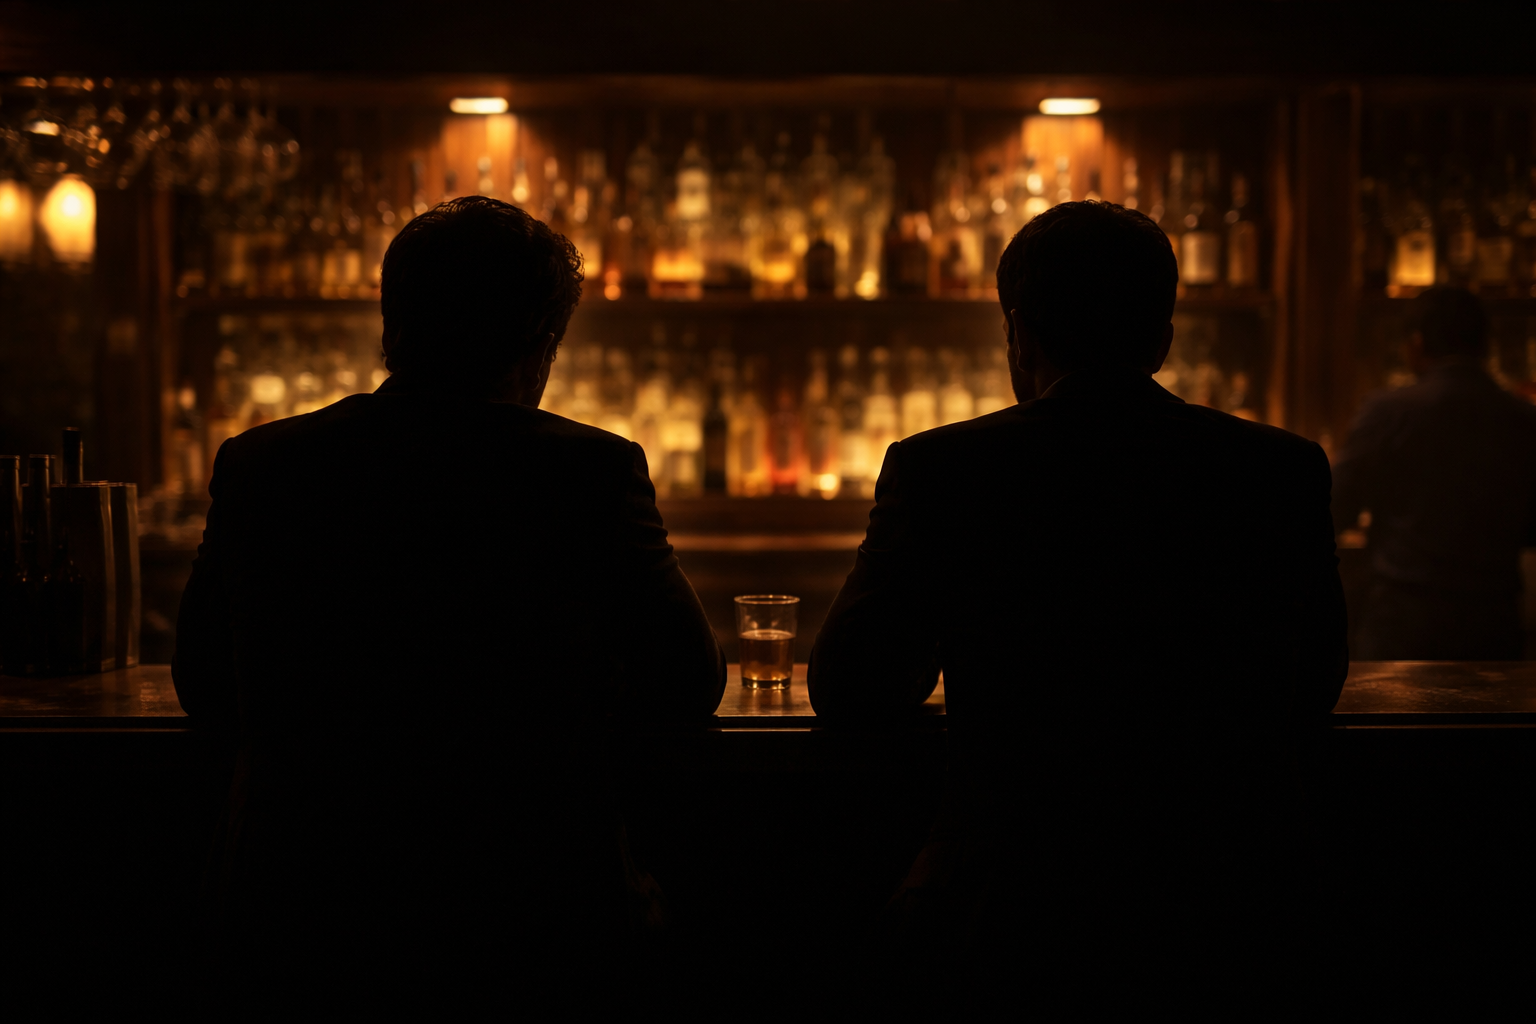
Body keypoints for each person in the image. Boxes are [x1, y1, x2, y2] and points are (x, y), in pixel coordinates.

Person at [173, 197, 724, 996]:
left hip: (298, 914)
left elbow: (204, 683)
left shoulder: (265, 464)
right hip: (536, 915)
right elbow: (687, 681)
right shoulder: (588, 472)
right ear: (541, 344)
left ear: (392, 324)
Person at [808, 201, 1347, 961]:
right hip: (1240, 902)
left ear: (1018, 334)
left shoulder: (946, 469)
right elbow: (1314, 681)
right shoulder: (1280, 470)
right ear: (1162, 341)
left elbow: (854, 686)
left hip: (1014, 904)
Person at [1333, 286, 1536, 660]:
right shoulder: (1524, 419)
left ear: (1417, 342)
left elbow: (1334, 506)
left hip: (1404, 615)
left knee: (1391, 715)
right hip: (1494, 619)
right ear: (1484, 345)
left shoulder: (1389, 411)